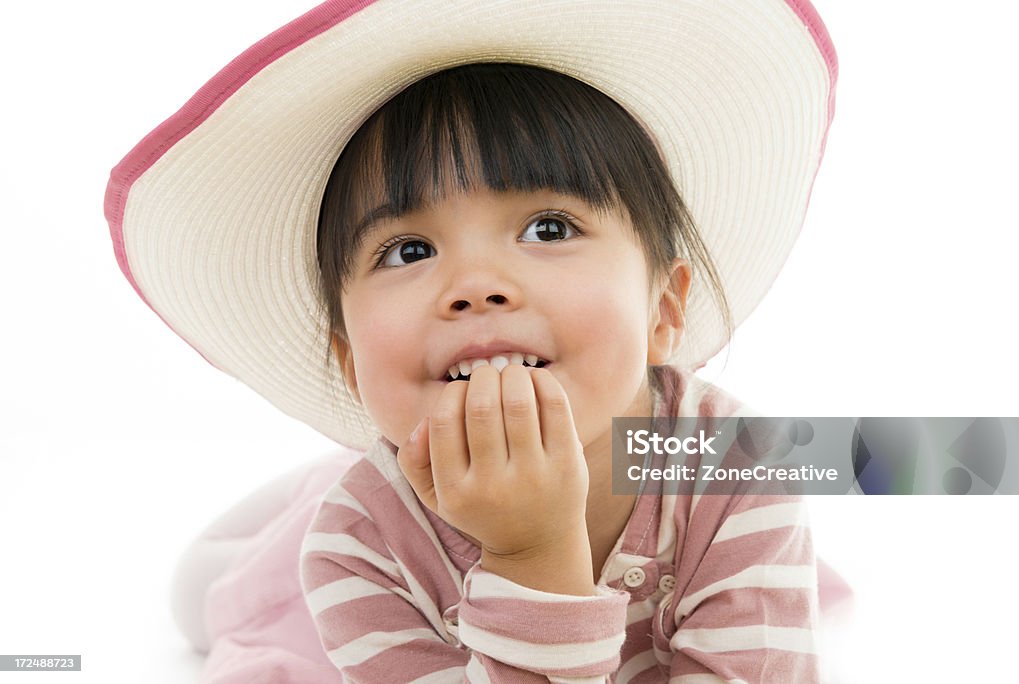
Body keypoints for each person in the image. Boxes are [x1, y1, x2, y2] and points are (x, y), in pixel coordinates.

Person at [105, 0, 844, 681]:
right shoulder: (360, 546)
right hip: (328, 547)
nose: (475, 283)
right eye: (408, 251)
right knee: (215, 596)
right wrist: (533, 554)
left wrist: (534, 548)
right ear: (347, 358)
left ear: (663, 310)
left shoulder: (737, 468)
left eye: (548, 228)